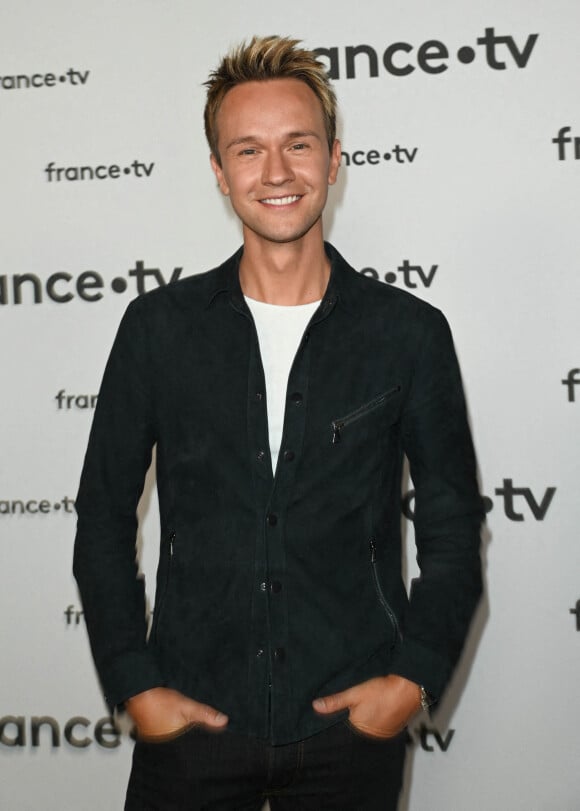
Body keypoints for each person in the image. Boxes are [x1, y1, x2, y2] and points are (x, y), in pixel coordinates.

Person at [74, 35, 483, 811]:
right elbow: (101, 518)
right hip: (190, 722)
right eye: (248, 150)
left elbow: (455, 524)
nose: (276, 173)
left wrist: (412, 677)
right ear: (220, 173)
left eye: (298, 145)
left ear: (333, 161)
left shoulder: (408, 332)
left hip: (347, 730)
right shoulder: (158, 329)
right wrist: (136, 683)